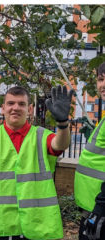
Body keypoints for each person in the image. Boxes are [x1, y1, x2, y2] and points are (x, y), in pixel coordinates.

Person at [0, 85, 74, 239]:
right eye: (10, 103)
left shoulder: (41, 136)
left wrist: (62, 123)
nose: (15, 108)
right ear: (2, 108)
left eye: (21, 104)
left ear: (30, 109)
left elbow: (60, 144)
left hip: (37, 227)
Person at [75, 62, 105, 240]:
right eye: (101, 79)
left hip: (100, 212)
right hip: (92, 210)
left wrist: (101, 207)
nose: (103, 85)